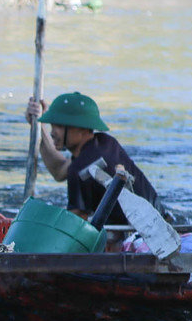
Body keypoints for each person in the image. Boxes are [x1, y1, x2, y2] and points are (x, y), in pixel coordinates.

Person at [25, 91, 169, 225]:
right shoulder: (106, 144)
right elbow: (59, 170)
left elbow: (74, 224)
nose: (52, 133)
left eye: (58, 126)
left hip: (138, 237)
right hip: (162, 221)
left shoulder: (80, 169)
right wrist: (38, 126)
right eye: (51, 126)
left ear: (80, 128)